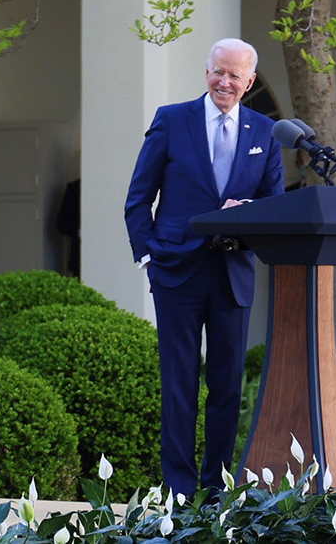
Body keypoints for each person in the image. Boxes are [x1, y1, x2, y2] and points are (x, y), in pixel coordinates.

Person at [124, 38, 284, 497]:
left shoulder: (264, 131)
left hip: (233, 273)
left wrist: (246, 207)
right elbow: (139, 196)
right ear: (206, 72)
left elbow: (273, 205)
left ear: (249, 81)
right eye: (218, 72)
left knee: (227, 387)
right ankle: (178, 490)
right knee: (178, 385)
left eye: (235, 75)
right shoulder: (172, 120)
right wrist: (148, 254)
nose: (225, 82)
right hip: (175, 271)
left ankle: (214, 489)